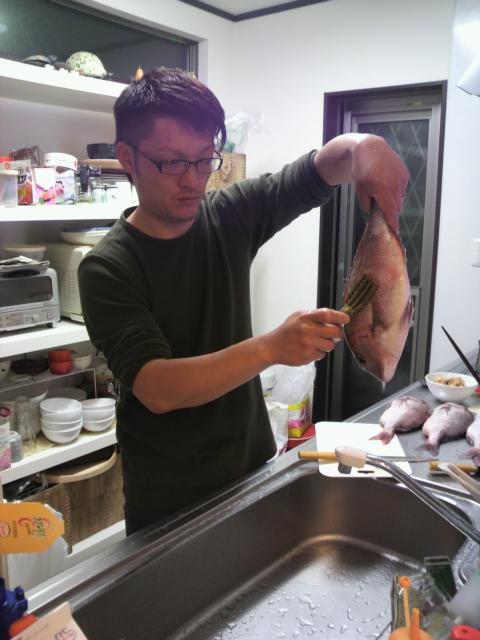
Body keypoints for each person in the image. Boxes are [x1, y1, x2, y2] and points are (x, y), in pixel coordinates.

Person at [78, 68, 408, 535]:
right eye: (172, 163)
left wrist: (365, 148)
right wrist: (273, 347)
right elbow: (157, 387)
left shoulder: (228, 215)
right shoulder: (107, 267)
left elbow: (316, 171)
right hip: (168, 497)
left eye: (203, 160)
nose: (193, 180)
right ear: (127, 157)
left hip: (251, 467)